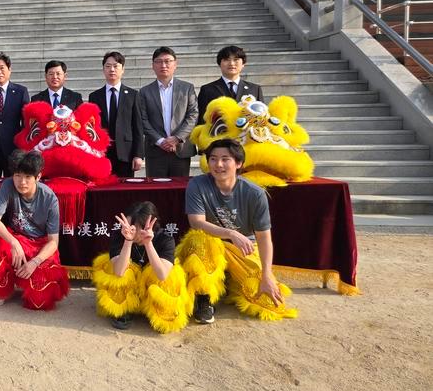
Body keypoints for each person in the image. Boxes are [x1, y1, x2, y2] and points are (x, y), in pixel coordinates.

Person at [178, 139, 297, 323]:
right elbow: (197, 223)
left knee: (266, 301)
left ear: (239, 163)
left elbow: (264, 238)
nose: (218, 164)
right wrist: (231, 233)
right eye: (213, 159)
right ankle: (204, 298)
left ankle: (227, 281)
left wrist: (266, 275)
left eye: (225, 159)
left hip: (244, 249)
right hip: (212, 245)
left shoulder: (255, 193)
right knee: (199, 240)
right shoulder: (198, 185)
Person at [0, 150, 69, 310]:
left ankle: (27, 280)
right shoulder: (8, 185)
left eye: (28, 177)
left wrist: (35, 262)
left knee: (39, 299)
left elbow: (53, 242)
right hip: (16, 238)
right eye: (18, 175)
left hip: (39, 245)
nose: (22, 182)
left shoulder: (49, 198)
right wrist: (14, 242)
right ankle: (1, 289)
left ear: (38, 177)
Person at [91, 201, 190, 333]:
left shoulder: (165, 239)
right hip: (131, 288)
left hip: (150, 287)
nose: (129, 229)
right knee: (114, 268)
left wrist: (148, 244)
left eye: (135, 227)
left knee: (171, 276)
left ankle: (161, 314)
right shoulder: (120, 236)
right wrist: (128, 241)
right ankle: (123, 309)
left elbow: (162, 275)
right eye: (127, 225)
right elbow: (119, 272)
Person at [139, 46, 198, 177]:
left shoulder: (187, 88)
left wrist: (177, 138)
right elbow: (143, 119)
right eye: (159, 62)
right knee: (155, 188)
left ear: (175, 64)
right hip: (155, 151)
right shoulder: (144, 92)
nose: (163, 65)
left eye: (167, 61)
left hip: (181, 150)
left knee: (180, 187)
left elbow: (193, 115)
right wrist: (160, 141)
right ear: (153, 66)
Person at [87, 51, 145, 177]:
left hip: (126, 153)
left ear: (122, 69)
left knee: (125, 188)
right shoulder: (95, 96)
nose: (112, 69)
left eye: (116, 66)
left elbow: (138, 127)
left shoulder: (133, 95)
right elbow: (92, 127)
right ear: (103, 70)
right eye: (108, 66)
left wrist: (138, 155)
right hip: (103, 154)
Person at [197, 45, 264, 123]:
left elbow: (262, 116)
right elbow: (202, 120)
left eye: (236, 60)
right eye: (226, 60)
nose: (232, 63)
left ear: (243, 64)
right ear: (219, 64)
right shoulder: (207, 89)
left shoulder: (255, 89)